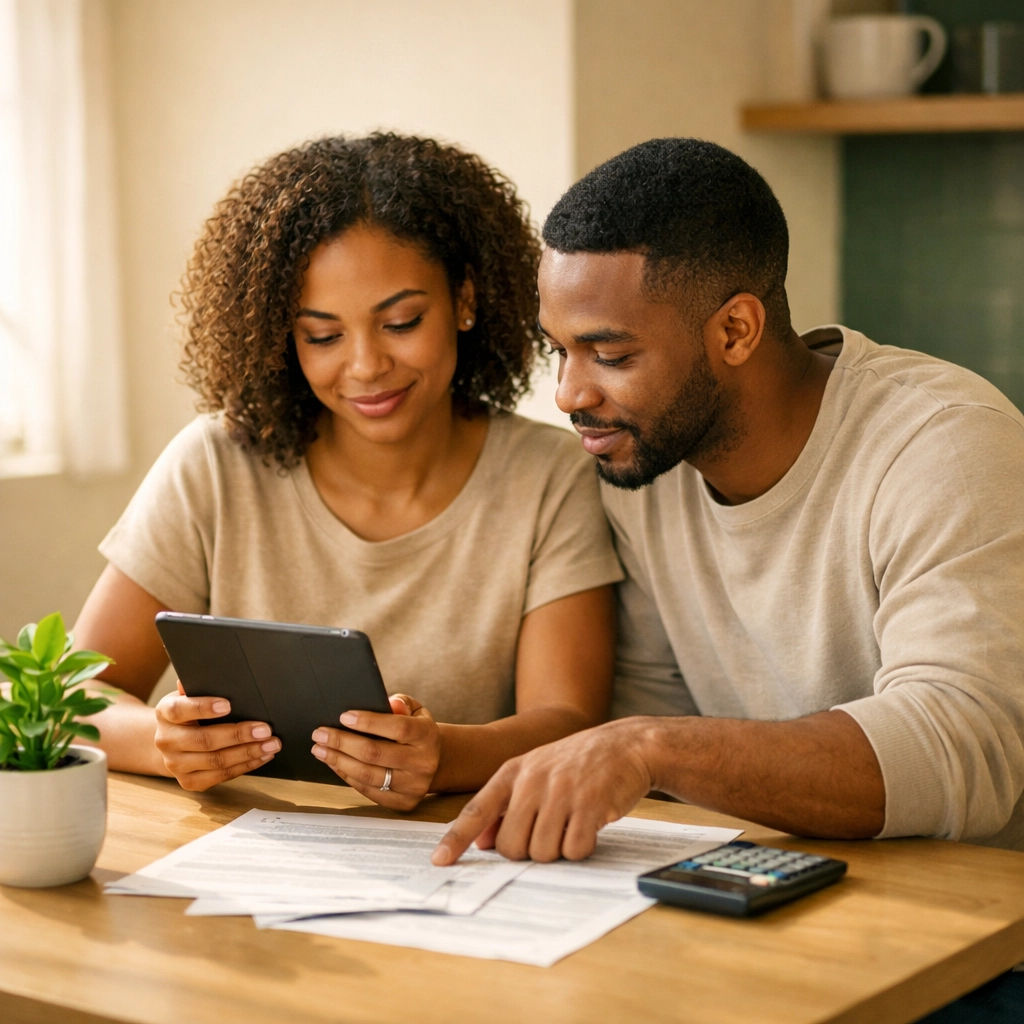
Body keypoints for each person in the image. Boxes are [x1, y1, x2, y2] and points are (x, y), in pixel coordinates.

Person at [433, 136, 1024, 868]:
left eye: (611, 356)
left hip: (973, 916)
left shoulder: (946, 447)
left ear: (735, 331)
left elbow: (962, 750)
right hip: (766, 887)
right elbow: (654, 725)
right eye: (559, 349)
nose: (569, 395)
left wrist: (651, 746)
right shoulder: (642, 467)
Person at [74, 133, 622, 810]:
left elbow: (570, 723)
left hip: (452, 852)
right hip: (237, 850)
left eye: (401, 321)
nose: (365, 366)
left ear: (465, 299)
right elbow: (78, 694)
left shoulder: (548, 477)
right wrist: (162, 742)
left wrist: (441, 757)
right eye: (323, 336)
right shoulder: (214, 464)